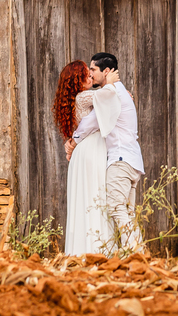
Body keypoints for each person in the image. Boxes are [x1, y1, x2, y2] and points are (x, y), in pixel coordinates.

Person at [67, 52, 143, 254]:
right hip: (131, 160)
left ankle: (138, 253)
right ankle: (133, 256)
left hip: (120, 160)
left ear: (106, 72)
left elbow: (90, 122)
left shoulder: (113, 94)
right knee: (126, 211)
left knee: (117, 209)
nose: (90, 74)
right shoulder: (115, 92)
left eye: (93, 69)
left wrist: (73, 142)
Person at [52, 60, 115, 255]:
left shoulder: (74, 100)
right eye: (86, 74)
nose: (90, 77)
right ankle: (99, 250)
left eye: (90, 73)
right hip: (90, 150)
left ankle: (85, 249)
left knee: (87, 199)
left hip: (83, 151)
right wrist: (110, 81)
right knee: (96, 196)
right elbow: (110, 95)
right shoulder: (83, 97)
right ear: (76, 80)